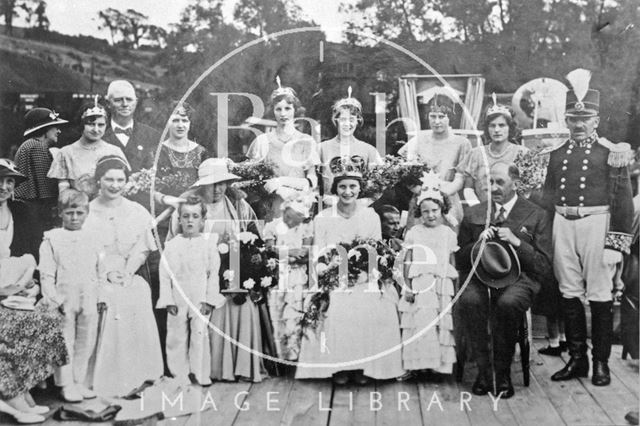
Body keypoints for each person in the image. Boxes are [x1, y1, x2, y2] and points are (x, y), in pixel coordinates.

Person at [543, 69, 634, 387]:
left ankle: (601, 364)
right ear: (566, 120)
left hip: (597, 224)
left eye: (585, 118)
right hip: (562, 225)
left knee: (600, 296)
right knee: (569, 293)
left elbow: (624, 205)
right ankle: (578, 360)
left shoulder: (612, 153)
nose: (579, 124)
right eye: (572, 118)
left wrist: (615, 245)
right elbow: (546, 198)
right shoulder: (555, 156)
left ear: (596, 120)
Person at [296, 158, 405, 384]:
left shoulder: (370, 216)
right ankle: (341, 368)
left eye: (352, 186)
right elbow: (318, 253)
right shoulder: (323, 217)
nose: (348, 192)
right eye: (343, 186)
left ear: (359, 188)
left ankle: (365, 367)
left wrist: (366, 275)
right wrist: (329, 271)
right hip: (333, 276)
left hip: (365, 277)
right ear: (335, 189)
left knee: (374, 304)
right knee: (337, 305)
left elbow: (376, 252)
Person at [457, 163, 552, 398]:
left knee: (508, 303)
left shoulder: (536, 214)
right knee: (469, 300)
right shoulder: (475, 213)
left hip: (521, 279)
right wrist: (476, 243)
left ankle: (503, 373)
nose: (493, 187)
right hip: (480, 277)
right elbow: (460, 259)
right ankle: (484, 372)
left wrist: (517, 242)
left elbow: (542, 265)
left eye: (499, 182)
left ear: (516, 183)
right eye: (489, 182)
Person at [167, 159, 265, 382]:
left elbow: (255, 239)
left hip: (234, 272)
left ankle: (239, 367)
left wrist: (245, 258)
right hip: (199, 274)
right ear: (202, 185)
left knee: (244, 304)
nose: (219, 189)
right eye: (213, 184)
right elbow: (173, 246)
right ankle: (208, 370)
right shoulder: (188, 208)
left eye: (223, 183)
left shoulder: (238, 206)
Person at [83, 155, 163, 397]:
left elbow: (142, 248)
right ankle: (108, 375)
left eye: (120, 180)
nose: (115, 185)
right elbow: (83, 248)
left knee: (138, 289)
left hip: (128, 271)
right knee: (110, 296)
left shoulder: (136, 211)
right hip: (95, 274)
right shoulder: (86, 210)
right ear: (99, 181)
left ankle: (138, 372)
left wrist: (127, 272)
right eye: (109, 179)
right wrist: (106, 273)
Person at [0, 159, 68, 424]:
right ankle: (11, 396)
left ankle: (22, 390)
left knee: (44, 319)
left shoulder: (21, 212)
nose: (4, 187)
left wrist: (32, 286)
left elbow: (32, 257)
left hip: (15, 292)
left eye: (9, 182)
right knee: (10, 326)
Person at [38, 189, 102, 402]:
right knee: (65, 341)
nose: (74, 217)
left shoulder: (94, 238)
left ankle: (78, 381)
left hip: (89, 296)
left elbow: (101, 269)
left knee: (86, 338)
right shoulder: (52, 238)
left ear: (87, 213)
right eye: (69, 213)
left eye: (79, 213)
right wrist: (53, 298)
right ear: (60, 213)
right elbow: (46, 273)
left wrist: (101, 297)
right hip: (64, 299)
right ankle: (65, 384)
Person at [157, 200, 226, 385]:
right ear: (179, 219)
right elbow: (164, 275)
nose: (190, 221)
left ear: (202, 220)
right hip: (178, 294)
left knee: (199, 334)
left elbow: (214, 275)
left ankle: (201, 373)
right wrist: (168, 300)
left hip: (200, 294)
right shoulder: (172, 245)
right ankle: (179, 374)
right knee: (176, 335)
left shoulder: (208, 244)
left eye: (195, 216)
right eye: (185, 216)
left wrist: (209, 300)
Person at [399, 173, 457, 378]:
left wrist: (454, 286)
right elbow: (407, 260)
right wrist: (407, 285)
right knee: (420, 322)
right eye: (425, 212)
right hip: (420, 283)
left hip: (441, 284)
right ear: (419, 212)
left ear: (442, 210)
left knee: (439, 324)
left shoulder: (448, 233)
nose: (430, 215)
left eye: (434, 210)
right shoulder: (414, 231)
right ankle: (417, 365)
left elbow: (451, 261)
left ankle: (438, 366)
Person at [398, 92, 471, 224]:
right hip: (421, 204)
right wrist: (422, 192)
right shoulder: (419, 140)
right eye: (433, 116)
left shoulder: (461, 143)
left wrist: (440, 194)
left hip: (448, 202)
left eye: (442, 116)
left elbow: (460, 179)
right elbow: (404, 172)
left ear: (450, 117)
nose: (437, 121)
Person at [263, 189, 314, 362]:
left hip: (298, 276)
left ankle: (296, 355)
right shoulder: (272, 227)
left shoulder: (305, 228)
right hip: (278, 274)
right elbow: (270, 251)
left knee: (295, 313)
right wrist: (290, 252)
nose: (291, 221)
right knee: (277, 312)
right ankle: (280, 355)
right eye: (288, 216)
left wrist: (293, 254)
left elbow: (305, 253)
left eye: (296, 217)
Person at [246, 79, 319, 188]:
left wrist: (282, 181)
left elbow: (312, 180)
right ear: (272, 111)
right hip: (270, 201)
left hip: (298, 201)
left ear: (295, 110)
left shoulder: (306, 141)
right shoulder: (262, 141)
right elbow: (252, 177)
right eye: (278, 109)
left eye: (288, 108)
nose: (283, 114)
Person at [47, 100, 128, 194]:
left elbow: (124, 187)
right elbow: (64, 194)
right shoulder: (66, 153)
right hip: (78, 206)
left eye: (101, 125)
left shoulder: (115, 151)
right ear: (81, 124)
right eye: (91, 124)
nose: (96, 129)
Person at [462, 95, 528, 203]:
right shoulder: (476, 154)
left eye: (502, 125)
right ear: (487, 128)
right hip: (483, 213)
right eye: (492, 126)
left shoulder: (522, 153)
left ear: (510, 127)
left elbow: (527, 190)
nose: (497, 130)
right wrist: (477, 210)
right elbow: (468, 188)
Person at [318, 90, 382, 196]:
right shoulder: (321, 148)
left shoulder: (369, 150)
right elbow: (312, 182)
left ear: (358, 121)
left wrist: (365, 202)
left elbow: (380, 184)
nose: (347, 123)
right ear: (336, 120)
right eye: (343, 119)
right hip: (331, 208)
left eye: (351, 119)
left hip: (358, 209)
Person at [15, 107, 68, 231]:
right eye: (55, 127)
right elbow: (46, 186)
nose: (59, 131)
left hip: (28, 207)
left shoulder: (30, 145)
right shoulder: (37, 146)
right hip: (34, 209)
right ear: (44, 129)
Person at [102, 80, 160, 174]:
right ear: (108, 103)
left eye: (129, 99)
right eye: (118, 100)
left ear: (136, 102)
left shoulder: (152, 135)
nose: (125, 104)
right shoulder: (98, 134)